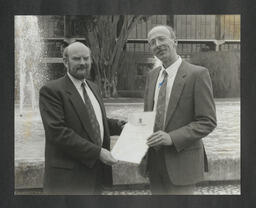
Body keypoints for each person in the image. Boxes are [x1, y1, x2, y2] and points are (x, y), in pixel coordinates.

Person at [39, 41, 124, 194]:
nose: (83, 63)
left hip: (95, 174)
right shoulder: (51, 90)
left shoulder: (93, 87)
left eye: (86, 58)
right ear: (65, 61)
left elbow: (96, 122)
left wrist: (121, 126)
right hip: (67, 179)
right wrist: (98, 152)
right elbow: (58, 133)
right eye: (77, 59)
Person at [142, 25, 217, 194]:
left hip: (182, 162)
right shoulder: (152, 76)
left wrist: (172, 138)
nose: (157, 44)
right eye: (152, 42)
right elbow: (148, 116)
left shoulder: (197, 74)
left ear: (175, 41)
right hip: (154, 161)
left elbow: (207, 121)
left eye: (162, 39)